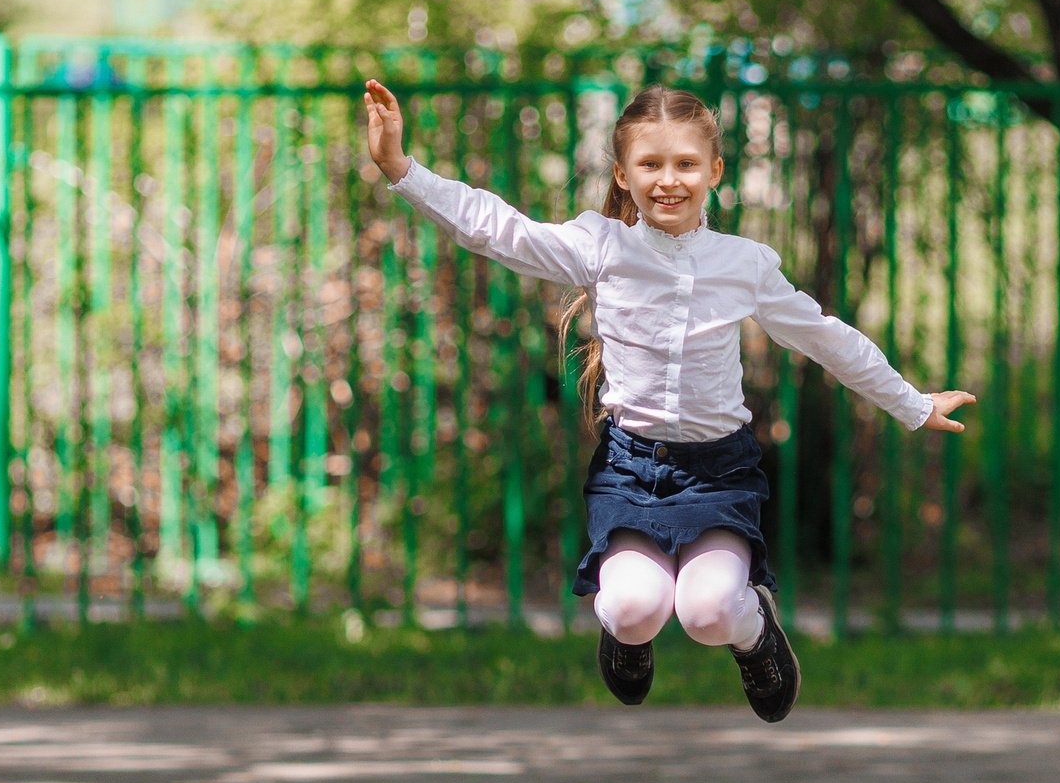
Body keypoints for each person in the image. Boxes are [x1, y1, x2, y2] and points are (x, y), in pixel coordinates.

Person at [362, 78, 972, 720]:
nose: (668, 180)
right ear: (623, 175)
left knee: (708, 613)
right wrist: (400, 168)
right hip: (632, 469)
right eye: (650, 165)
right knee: (633, 609)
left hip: (719, 471)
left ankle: (754, 629)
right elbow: (497, 229)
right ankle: (625, 637)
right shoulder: (601, 248)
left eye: (685, 164)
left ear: (713, 170)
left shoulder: (744, 264)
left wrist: (911, 402)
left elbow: (826, 338)